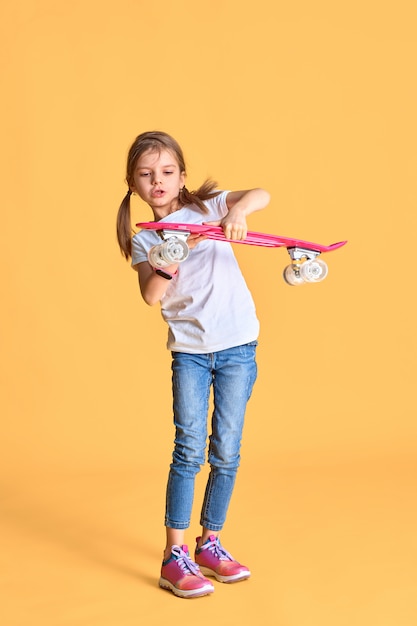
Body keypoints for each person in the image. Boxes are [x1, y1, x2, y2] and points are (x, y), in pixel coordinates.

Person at [116, 131, 270, 598]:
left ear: (182, 177)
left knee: (226, 450)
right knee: (188, 450)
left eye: (166, 172)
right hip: (191, 352)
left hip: (239, 345)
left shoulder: (207, 208)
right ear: (133, 184)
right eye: (145, 175)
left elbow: (261, 193)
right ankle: (174, 555)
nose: (157, 181)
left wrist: (238, 211)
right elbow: (150, 294)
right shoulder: (146, 239)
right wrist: (170, 256)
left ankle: (211, 544)